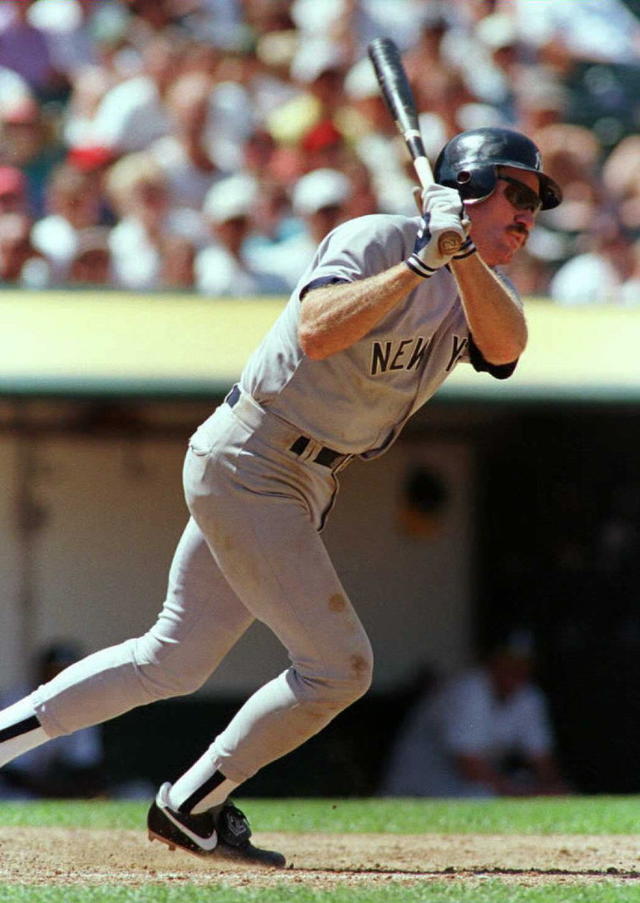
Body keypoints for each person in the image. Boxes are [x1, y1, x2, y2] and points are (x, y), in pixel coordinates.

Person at [0, 126, 561, 868]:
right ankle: (193, 800)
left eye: (536, 204)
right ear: (467, 187)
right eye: (515, 194)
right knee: (340, 666)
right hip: (253, 454)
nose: (527, 216)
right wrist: (423, 257)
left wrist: (456, 257)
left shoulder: (477, 287)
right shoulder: (376, 239)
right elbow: (318, 329)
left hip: (305, 479)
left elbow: (509, 345)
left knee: (169, 659)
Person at [379, 634, 568, 798]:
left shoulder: (528, 696)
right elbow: (468, 764)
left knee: (521, 784)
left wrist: (554, 789)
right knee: (483, 796)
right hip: (422, 785)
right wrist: (521, 794)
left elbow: (541, 757)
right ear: (494, 661)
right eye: (509, 662)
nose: (515, 670)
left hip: (470, 784)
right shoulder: (468, 689)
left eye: (522, 664)